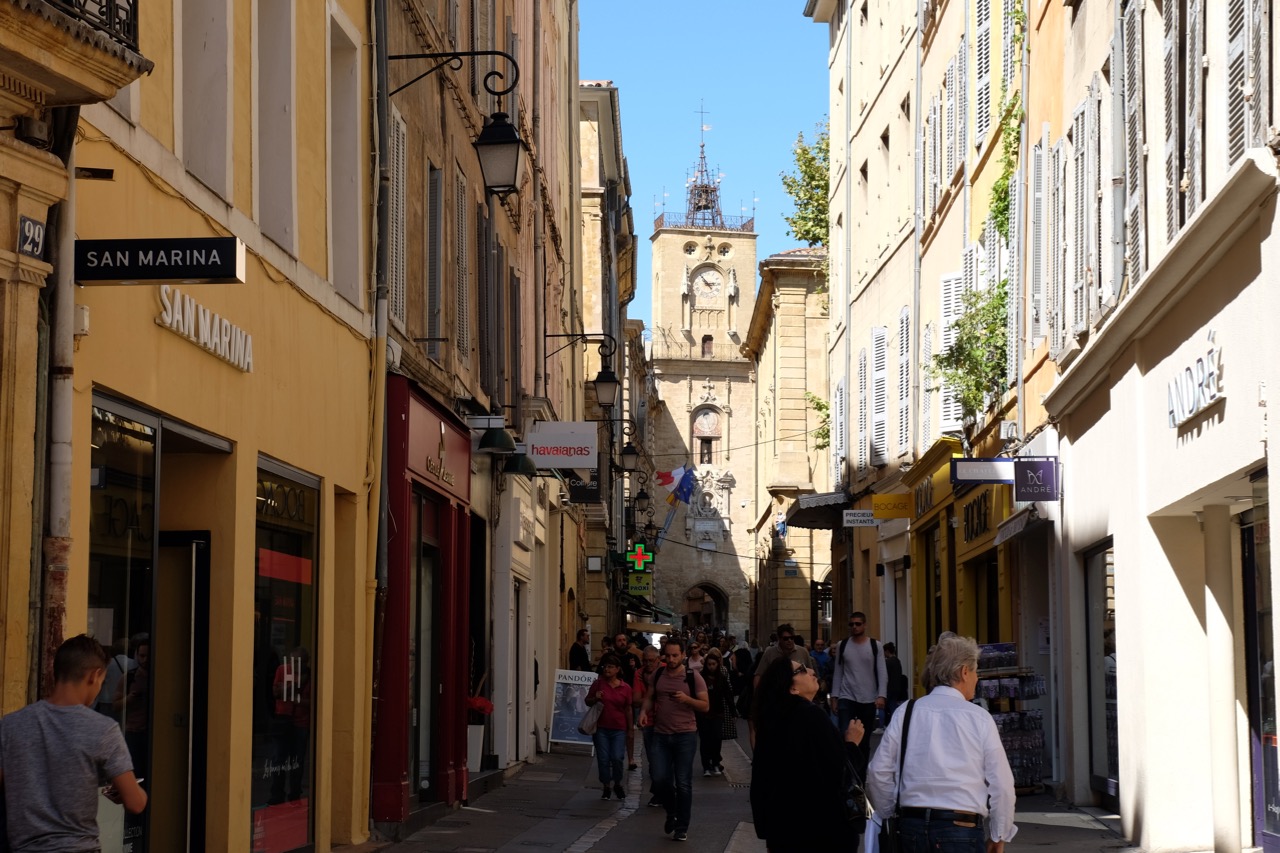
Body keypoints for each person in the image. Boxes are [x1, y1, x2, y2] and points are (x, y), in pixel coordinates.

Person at [867, 635, 1017, 853]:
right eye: (975, 671)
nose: (977, 678)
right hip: (961, 829)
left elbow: (878, 770)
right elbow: (1002, 784)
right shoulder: (979, 717)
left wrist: (890, 811)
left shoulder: (907, 711)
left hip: (912, 828)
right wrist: (999, 833)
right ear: (964, 672)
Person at [0, 634, 147, 852]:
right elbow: (136, 803)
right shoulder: (103, 729)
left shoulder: (11, 725)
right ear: (95, 676)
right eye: (102, 681)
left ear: (56, 672)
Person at [750, 656, 867, 852]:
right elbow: (839, 770)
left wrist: (767, 831)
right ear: (792, 688)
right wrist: (853, 743)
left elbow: (761, 781)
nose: (812, 672)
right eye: (802, 670)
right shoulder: (812, 716)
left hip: (783, 833)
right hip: (823, 831)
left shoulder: (771, 721)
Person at [638, 638, 709, 842]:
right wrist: (643, 712)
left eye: (675, 655)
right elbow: (650, 697)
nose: (670, 659)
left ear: (683, 655)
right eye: (667, 655)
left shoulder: (693, 677)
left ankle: (681, 826)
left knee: (683, 782)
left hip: (685, 735)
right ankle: (672, 811)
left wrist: (687, 700)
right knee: (659, 778)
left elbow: (705, 705)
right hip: (661, 734)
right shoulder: (658, 674)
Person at [829, 611, 887, 764]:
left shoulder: (875, 646)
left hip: (868, 698)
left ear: (864, 625)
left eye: (858, 624)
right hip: (846, 697)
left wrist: (881, 695)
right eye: (851, 624)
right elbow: (838, 672)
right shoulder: (843, 645)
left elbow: (882, 672)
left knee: (864, 739)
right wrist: (834, 697)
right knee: (845, 736)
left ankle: (860, 775)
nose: (854, 627)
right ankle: (846, 775)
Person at [585, 654, 633, 800]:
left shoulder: (625, 688)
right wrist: (595, 698)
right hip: (601, 728)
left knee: (617, 757)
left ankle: (617, 783)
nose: (607, 669)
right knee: (603, 758)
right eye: (605, 666)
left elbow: (628, 709)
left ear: (617, 669)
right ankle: (606, 786)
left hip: (619, 728)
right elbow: (587, 701)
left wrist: (630, 728)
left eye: (611, 667)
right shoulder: (598, 684)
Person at [633, 646, 663, 806]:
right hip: (649, 722)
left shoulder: (665, 670)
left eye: (651, 660)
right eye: (645, 660)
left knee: (665, 759)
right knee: (653, 758)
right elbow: (636, 699)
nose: (648, 663)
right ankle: (659, 791)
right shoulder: (639, 673)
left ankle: (661, 792)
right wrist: (653, 699)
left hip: (666, 721)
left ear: (658, 660)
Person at [696, 649, 731, 776]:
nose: (711, 667)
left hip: (717, 713)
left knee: (716, 739)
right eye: (709, 664)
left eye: (713, 664)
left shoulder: (721, 678)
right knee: (705, 740)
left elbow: (728, 695)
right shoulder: (701, 677)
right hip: (703, 714)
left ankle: (716, 763)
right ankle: (706, 765)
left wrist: (733, 711)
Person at [752, 624, 813, 689]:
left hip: (798, 693)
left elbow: (811, 673)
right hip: (776, 693)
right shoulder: (770, 652)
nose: (789, 640)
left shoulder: (803, 651)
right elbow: (758, 675)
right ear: (779, 639)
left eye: (792, 638)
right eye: (785, 638)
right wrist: (757, 695)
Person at [884, 641, 909, 718]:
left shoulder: (888, 662)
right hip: (897, 688)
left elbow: (885, 675)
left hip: (889, 688)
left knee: (888, 706)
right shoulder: (897, 661)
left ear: (887, 651)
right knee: (893, 704)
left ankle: (885, 723)